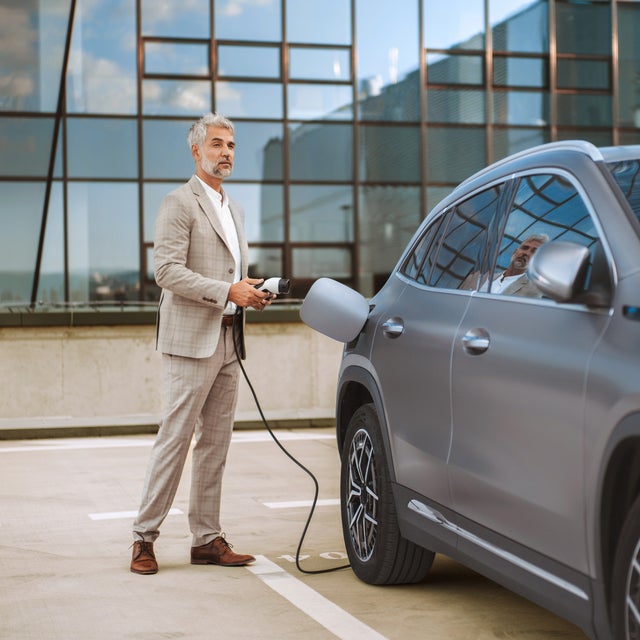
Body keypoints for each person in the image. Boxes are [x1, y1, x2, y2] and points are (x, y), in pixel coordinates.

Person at [130, 112, 273, 575]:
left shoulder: (235, 210)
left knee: (216, 444)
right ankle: (143, 538)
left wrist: (247, 289)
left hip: (230, 340)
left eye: (230, 145)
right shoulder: (178, 202)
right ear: (196, 151)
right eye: (216, 144)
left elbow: (226, 274)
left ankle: (206, 538)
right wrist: (226, 291)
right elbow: (166, 272)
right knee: (175, 440)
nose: (226, 152)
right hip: (191, 342)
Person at [462, 234, 548, 297]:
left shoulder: (532, 290)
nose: (526, 253)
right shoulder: (481, 278)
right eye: (525, 248)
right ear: (515, 252)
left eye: (534, 251)